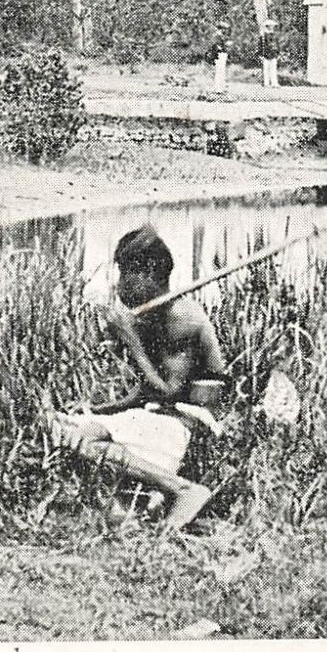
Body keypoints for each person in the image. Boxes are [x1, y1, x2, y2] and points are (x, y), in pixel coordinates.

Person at [52, 226, 230, 529]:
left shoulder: (181, 318)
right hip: (152, 413)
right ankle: (146, 503)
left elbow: (168, 392)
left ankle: (181, 489)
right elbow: (146, 392)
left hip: (180, 420)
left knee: (83, 444)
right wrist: (97, 410)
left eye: (125, 274)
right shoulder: (156, 315)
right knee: (60, 428)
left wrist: (131, 341)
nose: (120, 286)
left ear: (149, 271)